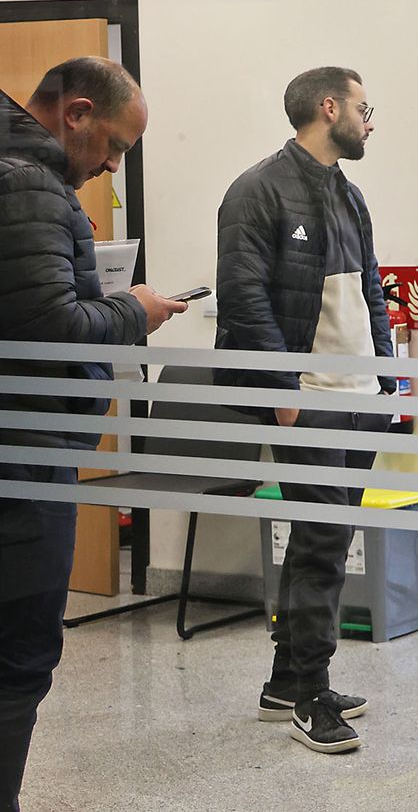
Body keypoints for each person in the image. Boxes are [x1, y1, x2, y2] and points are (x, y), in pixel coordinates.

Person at [0, 58, 187, 811]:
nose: (113, 165)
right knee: (20, 659)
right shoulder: (29, 186)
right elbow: (52, 327)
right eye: (113, 144)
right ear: (75, 113)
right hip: (23, 468)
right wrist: (133, 309)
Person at [215, 66, 393, 755]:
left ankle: (286, 679)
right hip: (308, 399)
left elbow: (370, 287)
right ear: (328, 108)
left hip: (359, 398)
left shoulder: (347, 193)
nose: (368, 119)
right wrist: (282, 390)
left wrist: (386, 372)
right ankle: (312, 693)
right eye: (361, 106)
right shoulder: (256, 190)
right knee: (321, 543)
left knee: (326, 536)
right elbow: (243, 294)